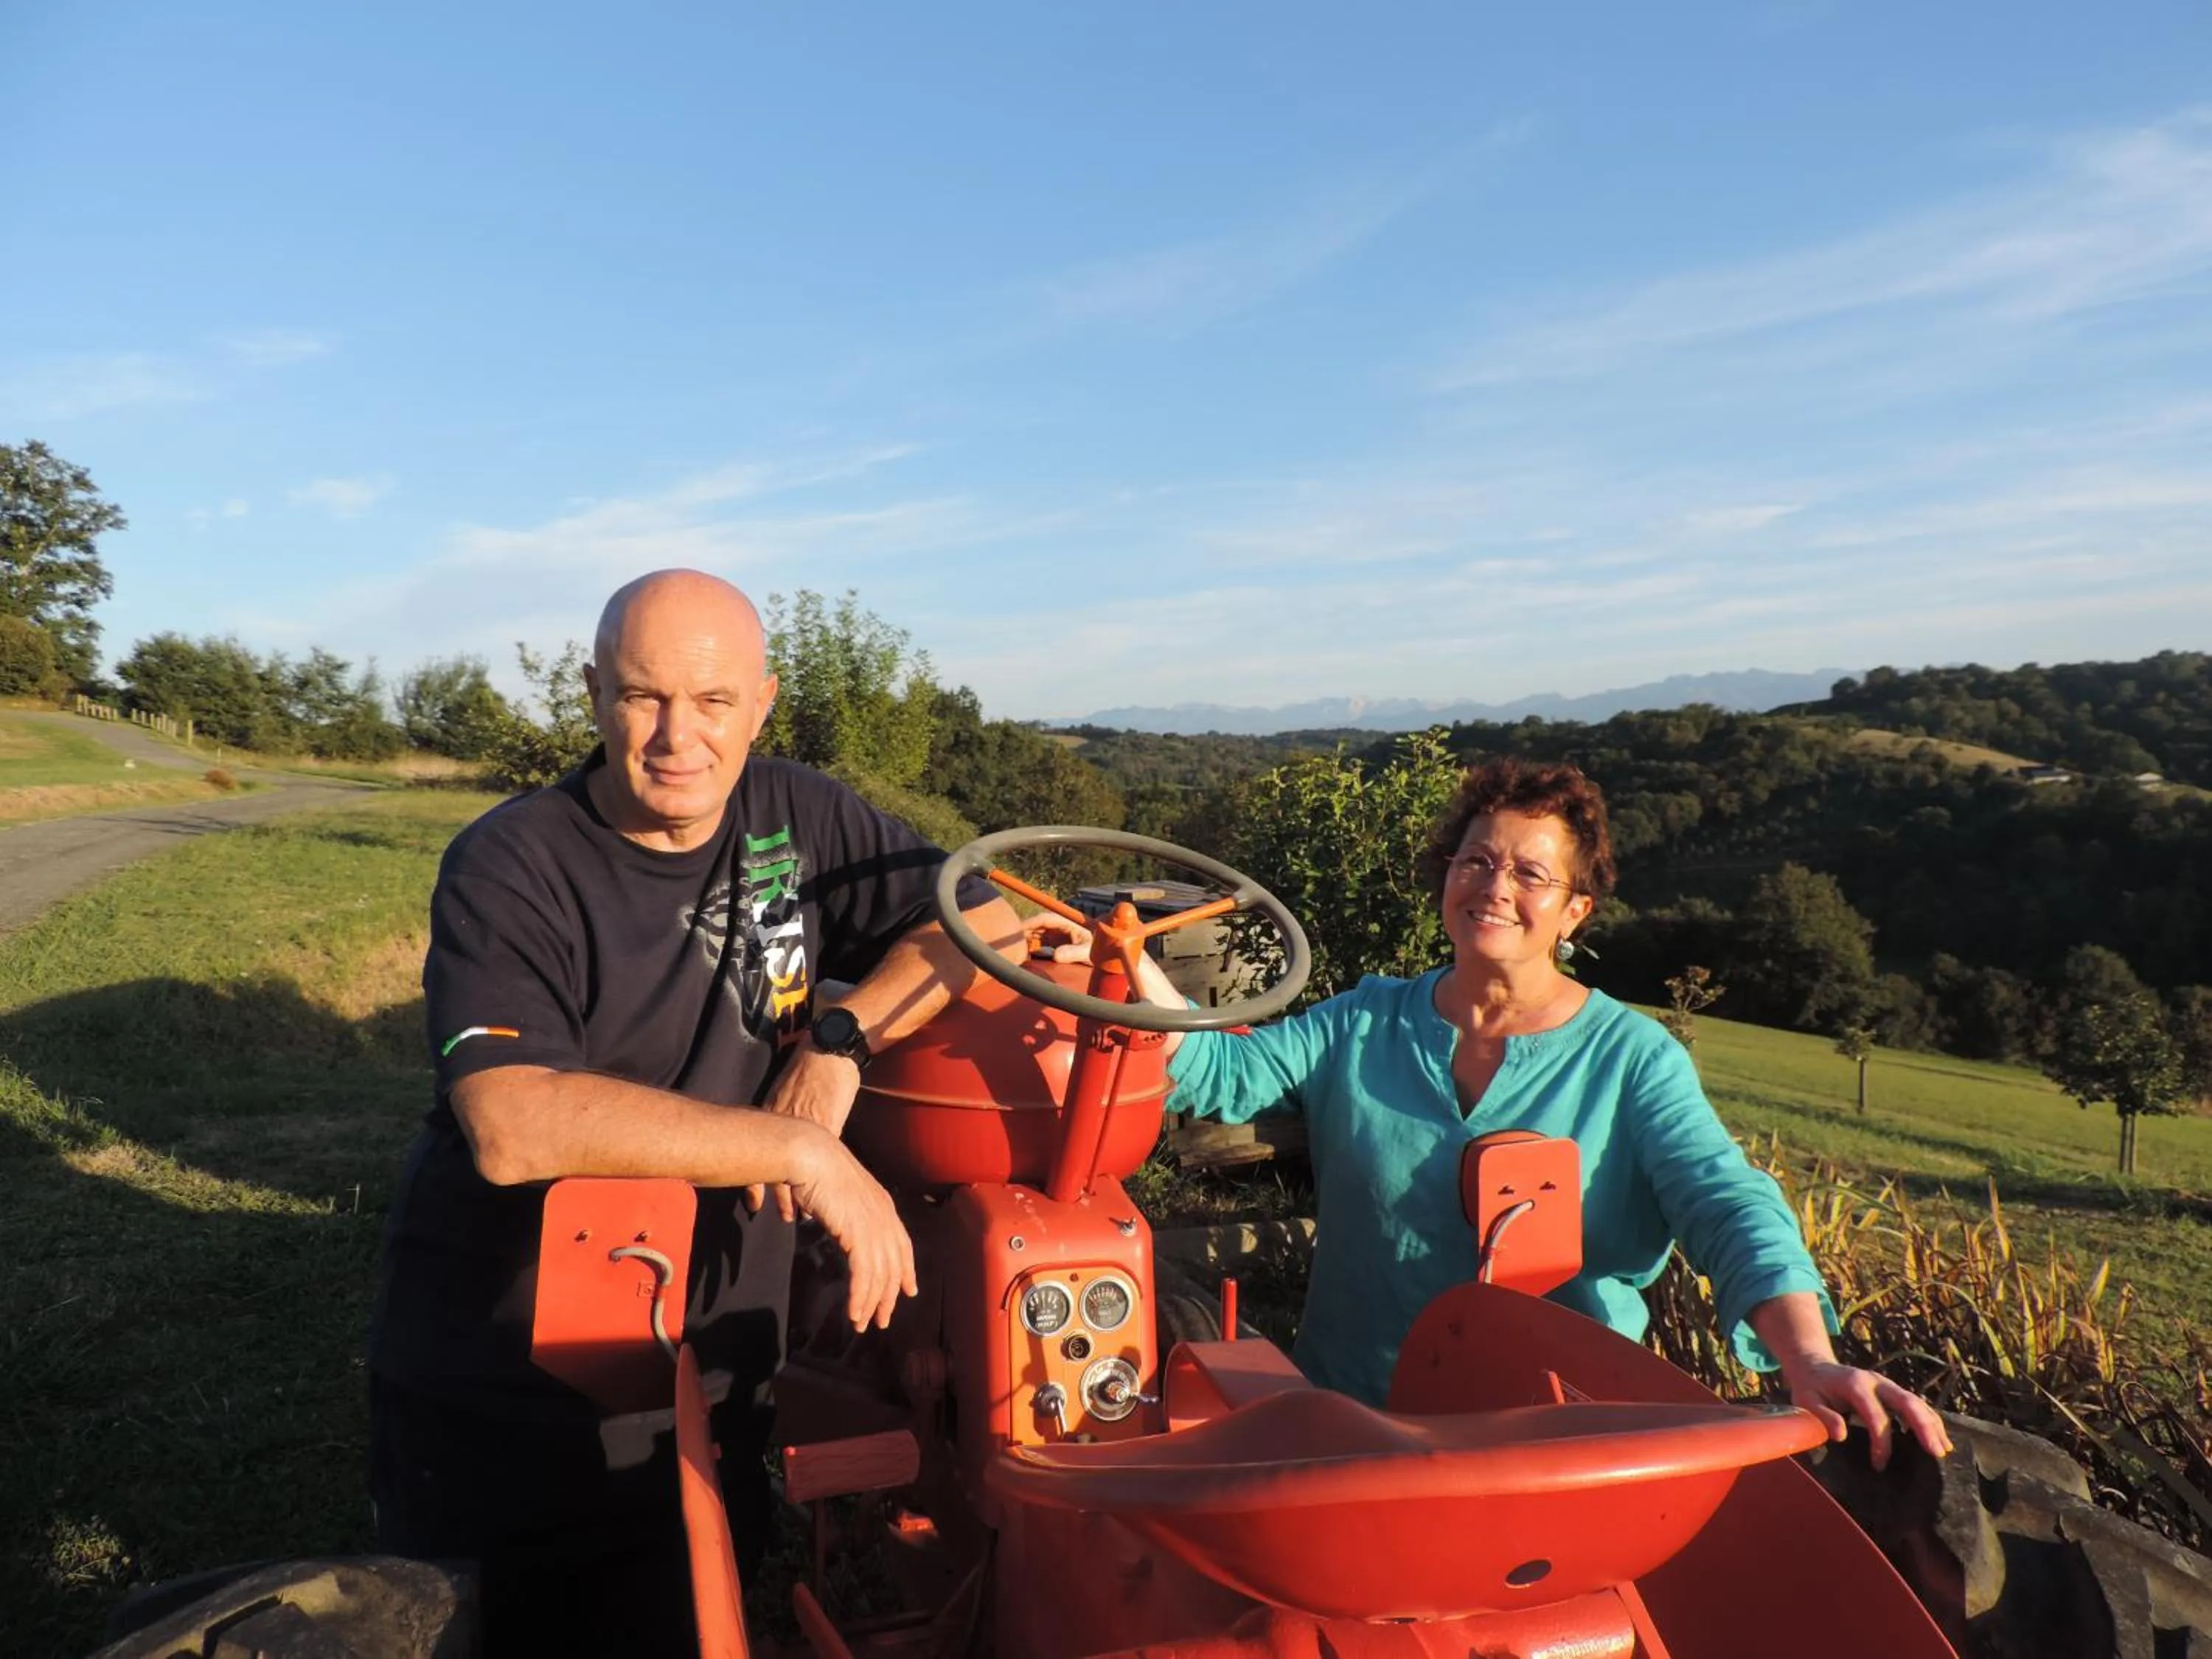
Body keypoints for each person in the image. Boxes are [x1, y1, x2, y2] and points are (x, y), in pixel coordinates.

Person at [366, 569, 1023, 1658]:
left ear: (761, 705)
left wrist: (841, 1043)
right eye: (642, 696)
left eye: (713, 702)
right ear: (591, 695)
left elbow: (980, 919)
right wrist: (799, 1150)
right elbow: (509, 1120)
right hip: (518, 1378)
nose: (679, 736)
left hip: (713, 1348)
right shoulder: (513, 860)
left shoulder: (797, 812)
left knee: (692, 1608)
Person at [1107, 757, 1950, 1470]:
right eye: (1474, 860)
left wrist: (1807, 1358)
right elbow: (1221, 1070)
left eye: (1531, 873)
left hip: (1555, 1447)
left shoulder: (1631, 1057)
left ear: (1576, 908)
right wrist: (1129, 971)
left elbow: (1725, 1203)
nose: (1494, 887)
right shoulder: (1363, 1020)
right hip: (1356, 1430)